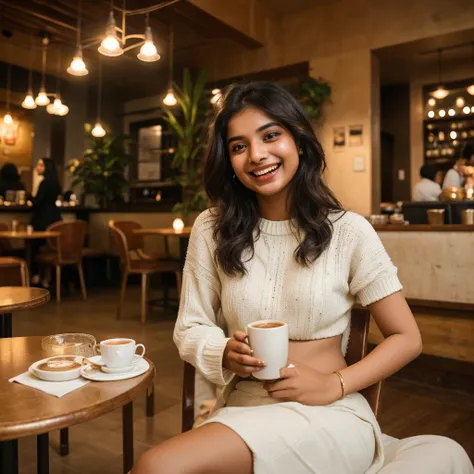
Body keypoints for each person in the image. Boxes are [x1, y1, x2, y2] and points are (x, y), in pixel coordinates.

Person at [133, 82, 424, 474]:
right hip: (243, 407)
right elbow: (190, 327)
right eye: (238, 146)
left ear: (299, 141)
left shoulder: (348, 231)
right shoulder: (211, 229)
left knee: (157, 466)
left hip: (330, 412)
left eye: (271, 135)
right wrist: (222, 352)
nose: (256, 155)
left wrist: (334, 384)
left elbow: (407, 337)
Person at [30, 157, 62, 285]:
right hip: (55, 217)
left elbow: (37, 201)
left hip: (43, 218)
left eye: (40, 165)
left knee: (36, 246)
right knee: (49, 248)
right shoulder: (56, 183)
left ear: (46, 168)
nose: (37, 167)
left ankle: (35, 276)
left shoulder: (45, 183)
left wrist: (29, 197)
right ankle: (47, 278)